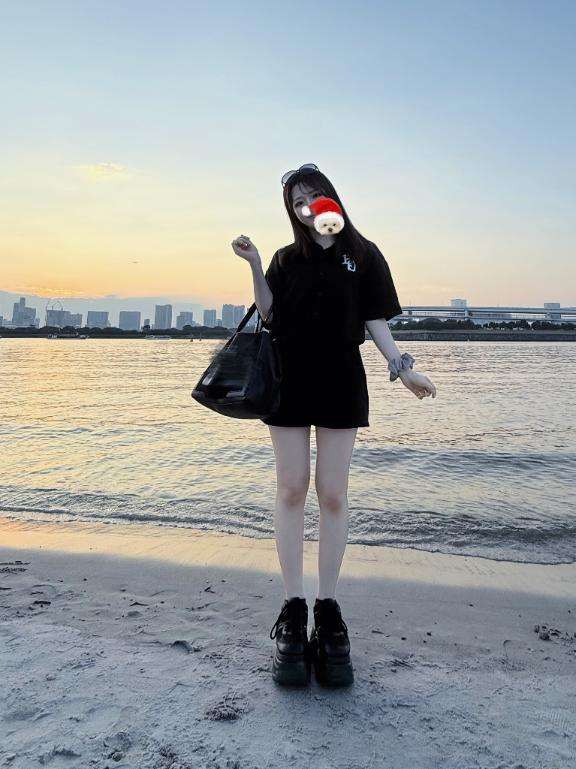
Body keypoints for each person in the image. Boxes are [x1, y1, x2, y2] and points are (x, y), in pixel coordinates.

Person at [231, 163, 436, 688]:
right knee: (291, 487)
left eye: (313, 196)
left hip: (342, 377)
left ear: (331, 198)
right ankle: (293, 609)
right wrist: (254, 264)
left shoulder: (363, 254)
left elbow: (374, 319)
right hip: (288, 378)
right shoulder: (285, 258)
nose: (307, 207)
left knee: (333, 493)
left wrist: (403, 369)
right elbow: (269, 314)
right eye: (297, 202)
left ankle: (327, 609)